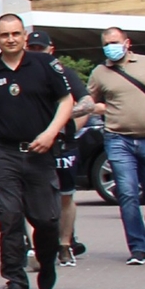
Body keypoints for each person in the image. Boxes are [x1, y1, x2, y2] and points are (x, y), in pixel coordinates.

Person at [0, 13, 73, 289]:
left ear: (24, 35)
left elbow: (66, 101)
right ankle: (15, 281)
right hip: (4, 154)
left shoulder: (45, 65)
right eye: (4, 35)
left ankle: (47, 260)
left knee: (47, 220)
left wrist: (52, 133)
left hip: (40, 153)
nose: (11, 39)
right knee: (9, 219)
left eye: (16, 33)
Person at [87, 26, 145, 263]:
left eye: (115, 42)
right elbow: (89, 101)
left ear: (127, 43)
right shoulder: (100, 72)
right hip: (118, 139)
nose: (110, 47)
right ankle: (137, 247)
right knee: (127, 193)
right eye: (106, 43)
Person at [27, 30, 90, 266]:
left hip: (63, 144)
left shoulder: (63, 73)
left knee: (65, 195)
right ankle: (37, 245)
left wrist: (60, 116)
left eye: (40, 49)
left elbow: (87, 103)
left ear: (50, 49)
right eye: (31, 49)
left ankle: (65, 245)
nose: (36, 54)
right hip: (32, 144)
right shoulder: (21, 75)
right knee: (34, 196)